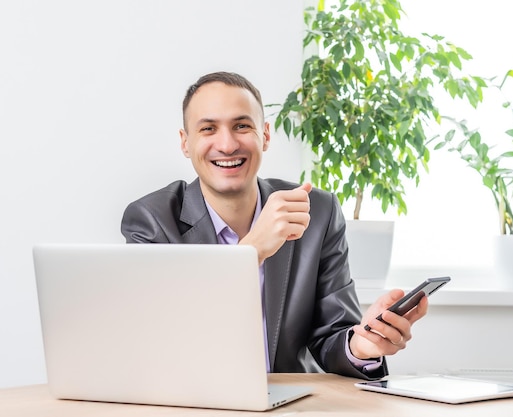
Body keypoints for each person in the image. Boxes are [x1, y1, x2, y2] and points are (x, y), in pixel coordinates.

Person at [121, 71, 428, 380]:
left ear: (265, 135)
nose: (227, 145)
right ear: (185, 143)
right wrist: (251, 251)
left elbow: (333, 335)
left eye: (242, 126)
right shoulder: (152, 220)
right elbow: (161, 338)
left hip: (290, 404)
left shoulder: (317, 213)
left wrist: (362, 344)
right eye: (208, 129)